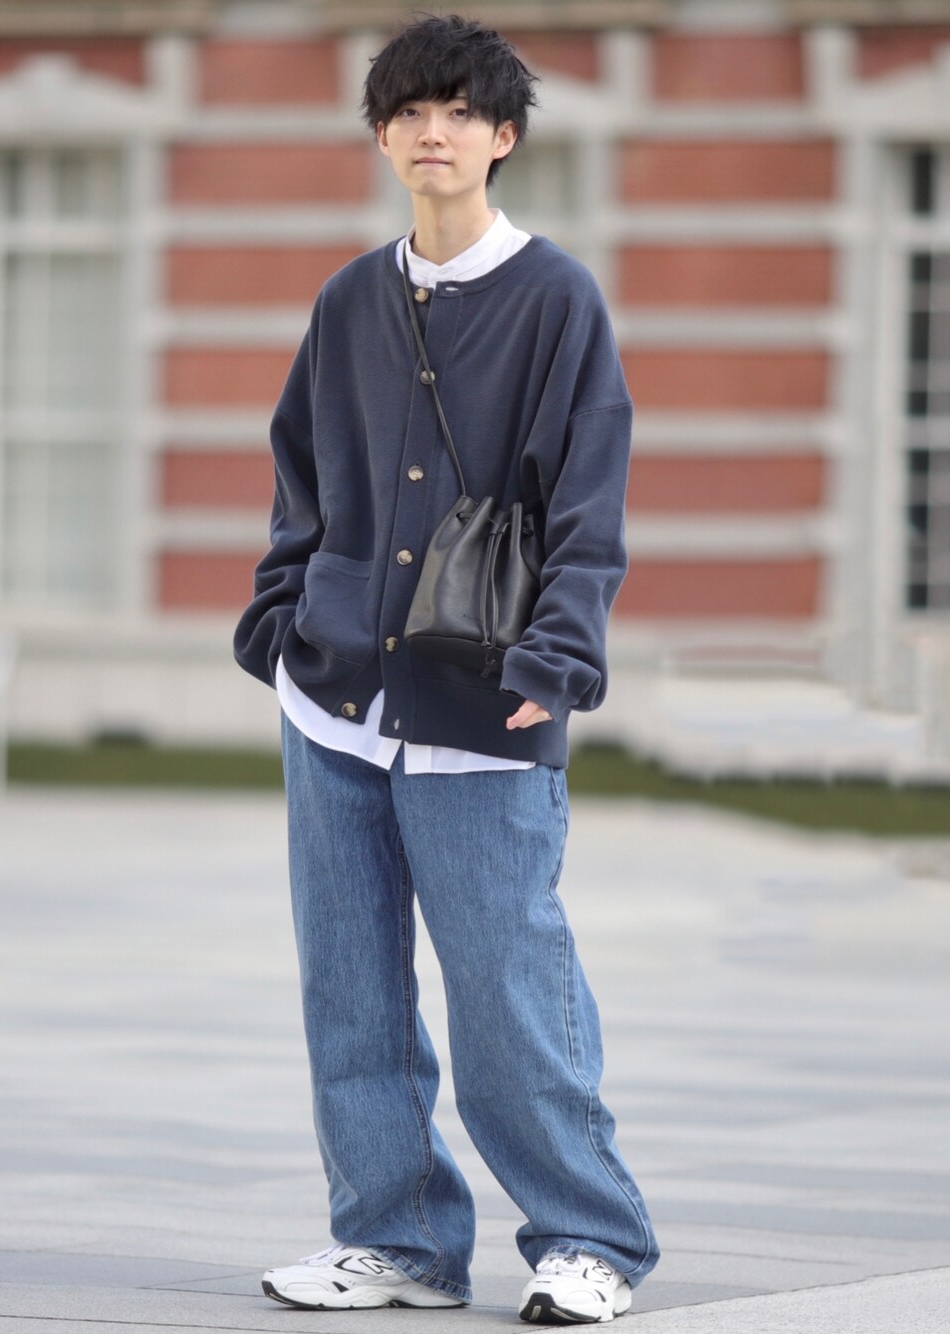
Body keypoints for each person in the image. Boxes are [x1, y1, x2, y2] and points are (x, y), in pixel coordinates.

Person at [233, 14, 659, 1325]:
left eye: (461, 112)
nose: (435, 132)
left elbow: (588, 500)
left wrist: (561, 653)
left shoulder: (558, 301)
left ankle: (589, 1238)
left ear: (503, 136)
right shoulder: (349, 300)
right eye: (411, 111)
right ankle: (399, 1241)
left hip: (488, 702)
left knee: (509, 993)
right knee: (351, 997)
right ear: (382, 136)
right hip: (338, 703)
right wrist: (280, 619)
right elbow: (301, 474)